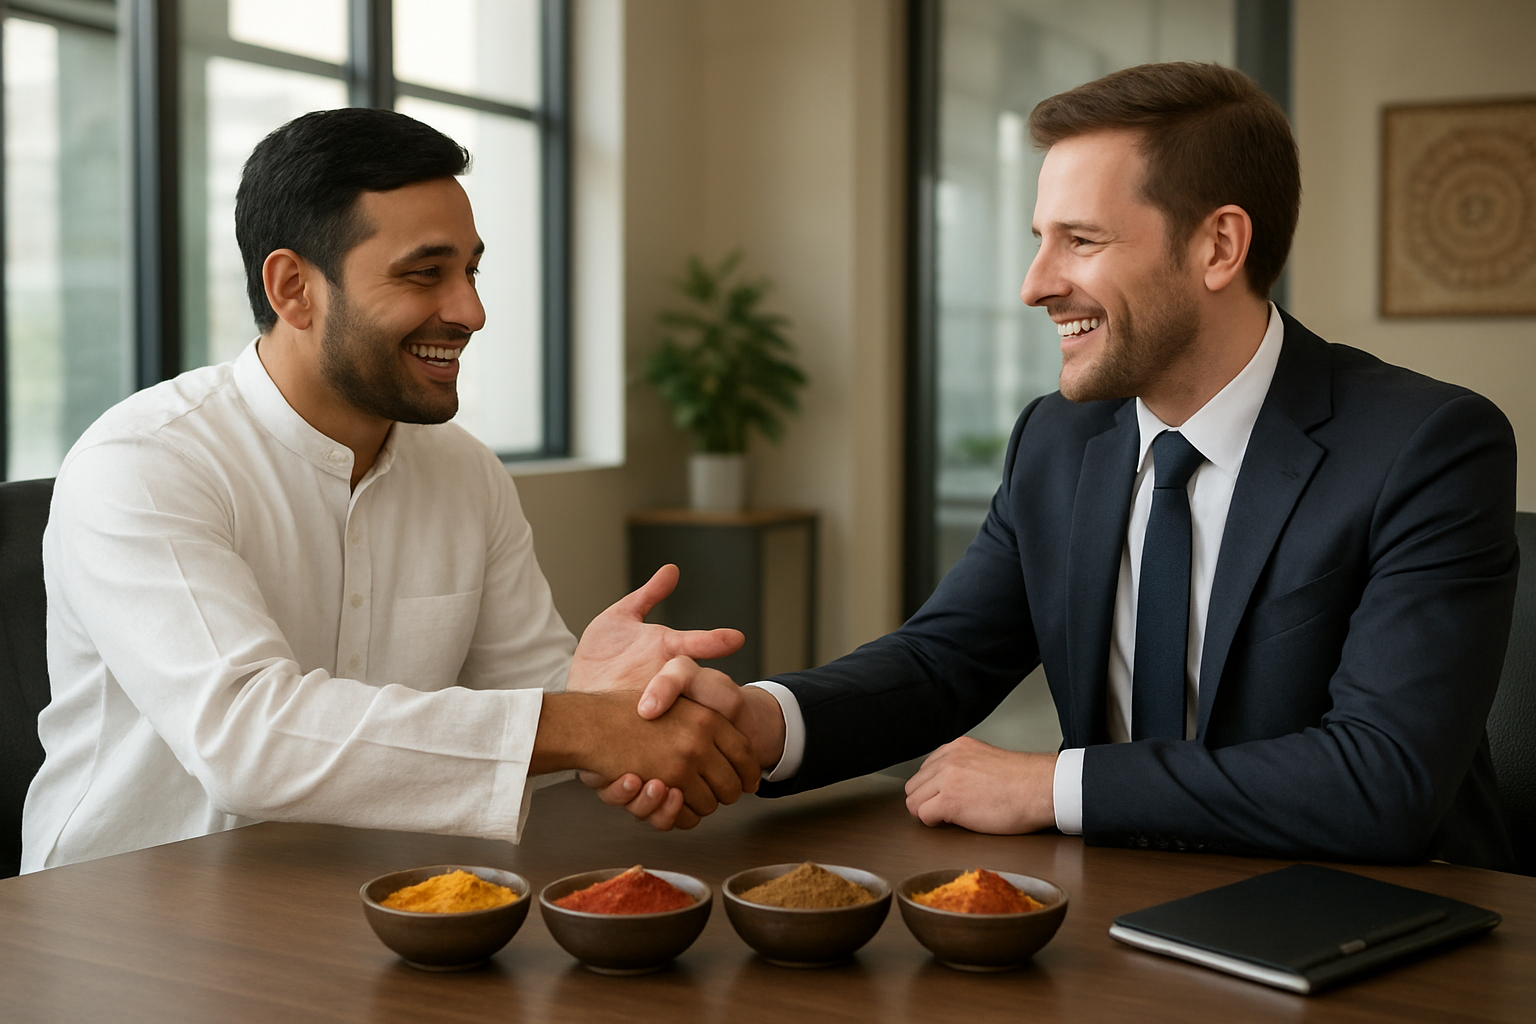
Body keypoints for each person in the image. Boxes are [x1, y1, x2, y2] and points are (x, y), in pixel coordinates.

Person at [610, 62, 1520, 870]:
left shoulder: (1428, 445)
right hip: (1117, 912)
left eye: (1079, 240)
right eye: (1039, 238)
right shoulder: (1058, 439)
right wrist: (762, 724)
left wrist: (1053, 787)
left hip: (1376, 923)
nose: (1035, 283)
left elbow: (1383, 778)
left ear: (1219, 246)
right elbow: (943, 662)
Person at [21, 108, 758, 873]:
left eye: (470, 270)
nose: (470, 311)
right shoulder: (143, 461)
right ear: (294, 288)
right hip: (115, 927)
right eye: (423, 273)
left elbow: (545, 712)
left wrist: (605, 699)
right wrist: (581, 723)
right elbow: (247, 739)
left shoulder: (466, 472)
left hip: (367, 908)